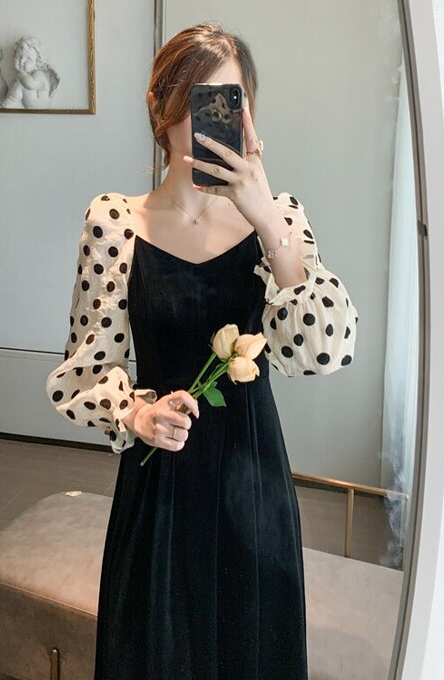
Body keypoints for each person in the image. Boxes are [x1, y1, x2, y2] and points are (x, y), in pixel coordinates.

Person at [45, 21, 358, 680]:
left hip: (254, 479)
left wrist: (266, 219)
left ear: (249, 116)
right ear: (160, 108)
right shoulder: (114, 222)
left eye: (229, 103)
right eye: (198, 101)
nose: (214, 121)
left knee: (252, 648)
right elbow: (83, 372)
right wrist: (135, 413)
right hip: (160, 482)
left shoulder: (279, 219)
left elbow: (324, 350)